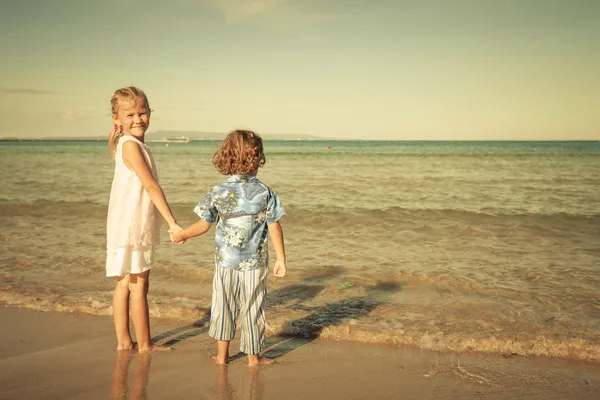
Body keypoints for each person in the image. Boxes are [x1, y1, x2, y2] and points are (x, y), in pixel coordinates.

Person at [171, 130, 287, 366]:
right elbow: (275, 227)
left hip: (225, 262)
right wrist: (281, 259)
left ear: (227, 157)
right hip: (255, 263)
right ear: (257, 159)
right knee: (253, 308)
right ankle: (253, 359)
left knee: (223, 306)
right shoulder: (265, 192)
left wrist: (182, 234)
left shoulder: (219, 191)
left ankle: (222, 357)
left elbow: (203, 225)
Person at [106, 86, 182, 352]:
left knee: (125, 283)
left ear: (150, 113)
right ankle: (145, 345)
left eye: (143, 113)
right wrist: (172, 222)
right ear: (116, 118)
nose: (138, 119)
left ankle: (124, 341)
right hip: (133, 225)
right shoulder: (131, 146)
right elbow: (150, 186)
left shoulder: (129, 144)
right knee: (138, 285)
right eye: (130, 115)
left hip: (123, 222)